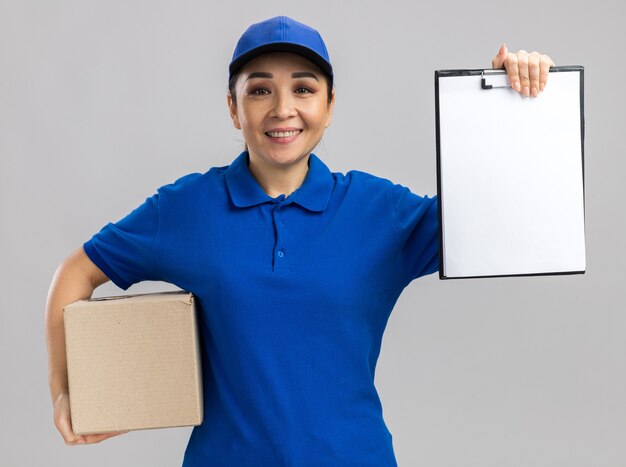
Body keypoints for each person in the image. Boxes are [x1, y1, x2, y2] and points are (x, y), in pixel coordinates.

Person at [45, 15, 556, 466]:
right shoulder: (186, 209)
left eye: (305, 89)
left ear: (330, 106)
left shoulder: (379, 212)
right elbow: (76, 273)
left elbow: (505, 215)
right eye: (260, 89)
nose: (282, 108)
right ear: (233, 106)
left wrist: (515, 102)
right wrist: (67, 390)